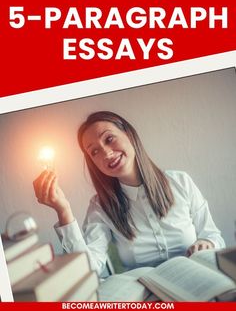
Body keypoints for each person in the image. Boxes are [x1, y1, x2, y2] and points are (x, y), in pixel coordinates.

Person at [33, 111, 225, 275]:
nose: (106, 154)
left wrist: (206, 242)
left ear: (129, 135)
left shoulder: (180, 182)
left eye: (109, 139)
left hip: (198, 279)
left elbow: (214, 236)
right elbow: (88, 270)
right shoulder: (100, 207)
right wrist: (63, 211)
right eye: (95, 152)